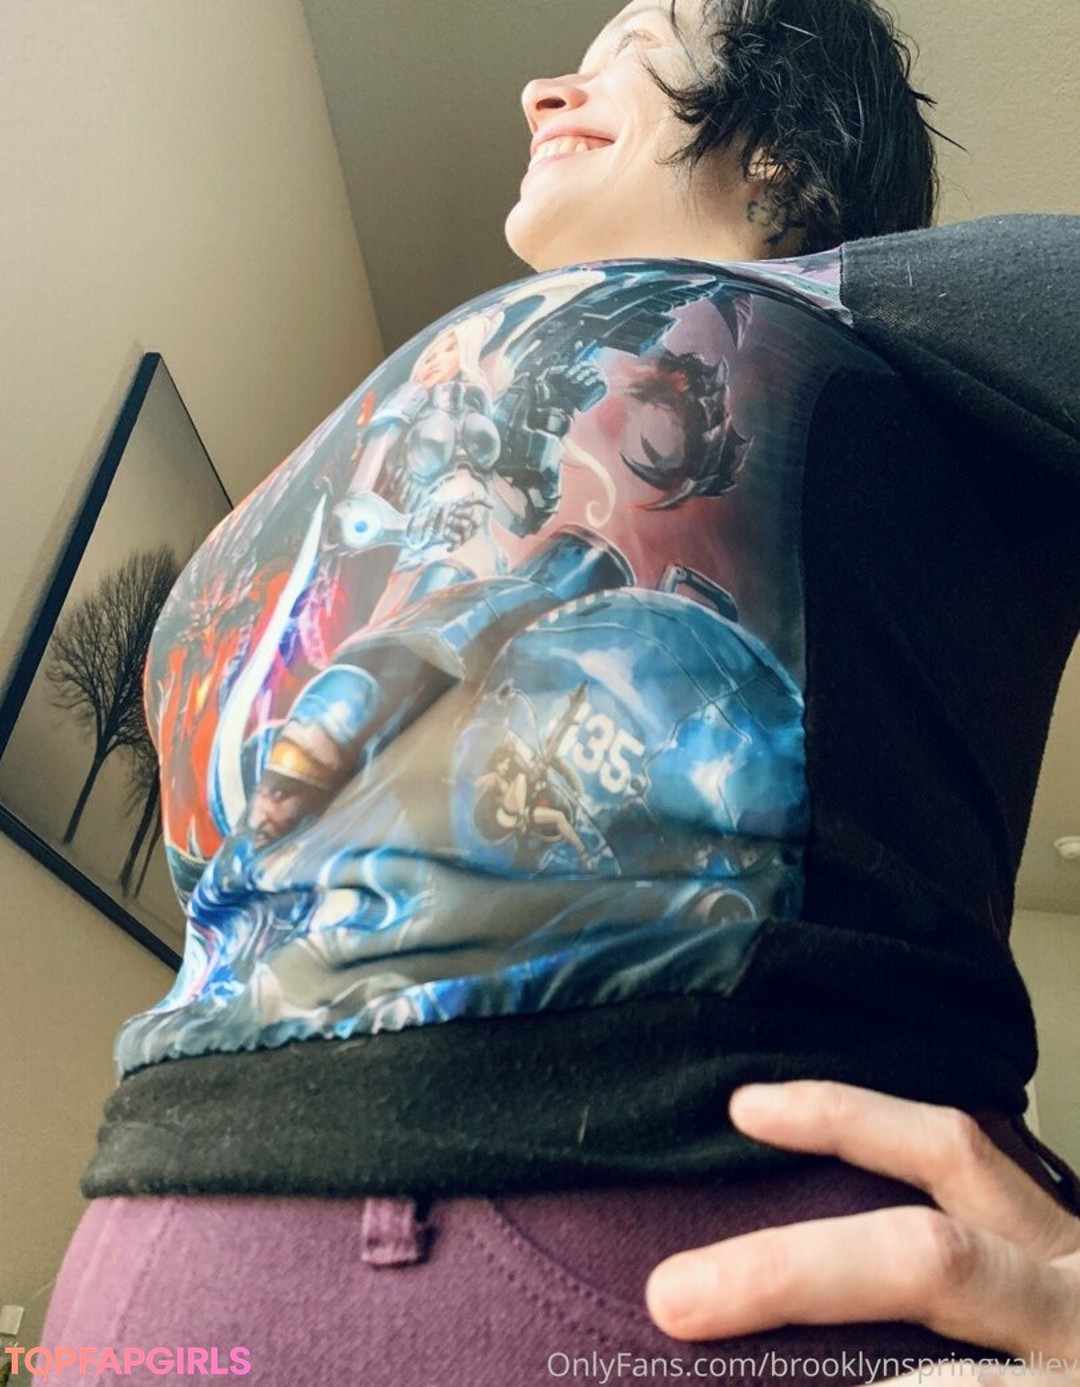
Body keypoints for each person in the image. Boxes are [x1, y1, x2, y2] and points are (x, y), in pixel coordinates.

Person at [37, 0, 1080, 1383]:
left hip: (668, 1267)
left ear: (781, 148)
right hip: (156, 1269)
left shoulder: (895, 327)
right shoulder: (405, 421)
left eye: (636, 47)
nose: (542, 91)